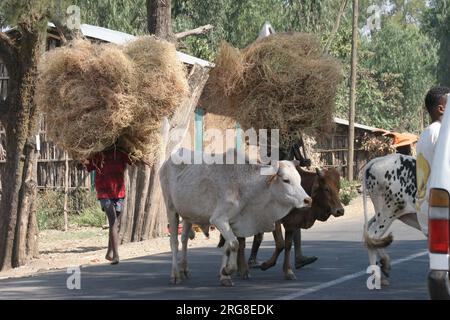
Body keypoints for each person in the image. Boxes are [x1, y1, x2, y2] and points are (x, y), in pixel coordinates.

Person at [83, 146, 132, 265]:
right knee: (113, 222)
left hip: (119, 193)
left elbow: (133, 160)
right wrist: (82, 159)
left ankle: (110, 252)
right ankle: (116, 255)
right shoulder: (98, 155)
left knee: (114, 223)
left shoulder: (120, 153)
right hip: (104, 193)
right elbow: (87, 167)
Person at [416, 86, 450, 236]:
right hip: (442, 209)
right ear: (442, 109)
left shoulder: (425, 133)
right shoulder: (441, 132)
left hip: (426, 209)